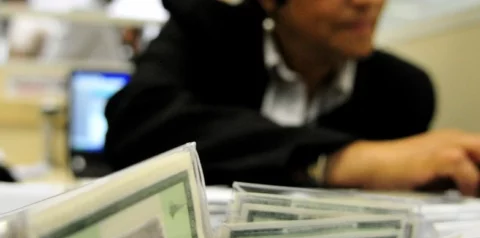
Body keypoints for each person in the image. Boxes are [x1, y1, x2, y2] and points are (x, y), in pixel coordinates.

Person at [104, 0, 480, 196]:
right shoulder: (205, 31)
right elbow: (135, 124)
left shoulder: (403, 91)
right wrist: (336, 160)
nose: (367, 2)